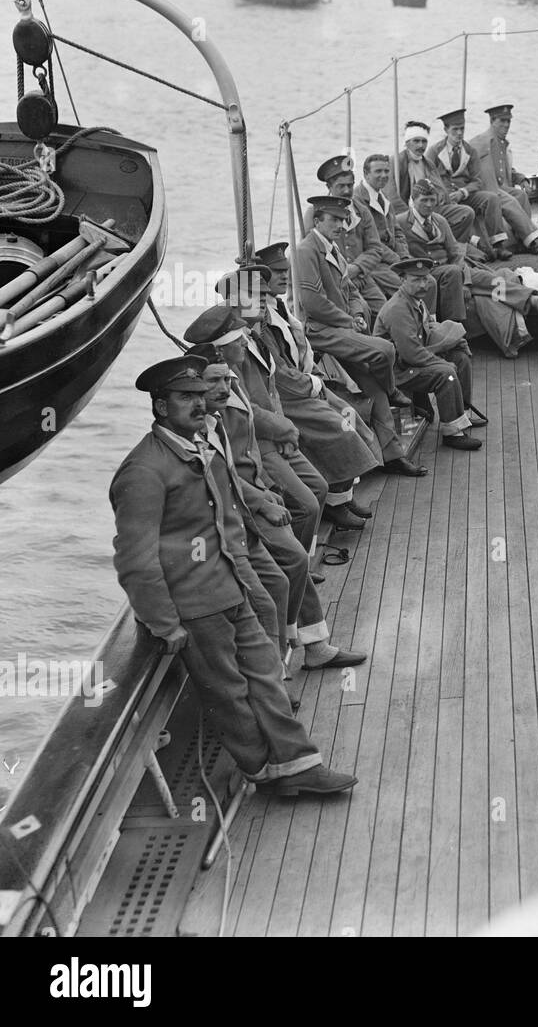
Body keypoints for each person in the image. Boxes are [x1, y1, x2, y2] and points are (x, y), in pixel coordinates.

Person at [110, 356, 357, 797]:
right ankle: (263, 771)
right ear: (160, 407)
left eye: (200, 396)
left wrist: (244, 573)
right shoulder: (145, 471)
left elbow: (224, 524)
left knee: (264, 673)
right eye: (185, 398)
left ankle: (298, 764)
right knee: (228, 693)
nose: (199, 404)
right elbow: (135, 560)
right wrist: (165, 623)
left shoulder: (199, 449)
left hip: (231, 585)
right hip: (194, 606)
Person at [193, 343, 368, 671]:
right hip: (235, 510)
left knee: (293, 562)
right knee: (290, 562)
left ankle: (312, 646)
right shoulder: (202, 423)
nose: (224, 386)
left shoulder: (226, 396)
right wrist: (261, 498)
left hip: (252, 492)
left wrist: (265, 485)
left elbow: (245, 444)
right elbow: (217, 473)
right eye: (213, 381)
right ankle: (291, 655)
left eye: (226, 379)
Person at [225, 250, 381, 531]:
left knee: (350, 414)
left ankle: (340, 497)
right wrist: (288, 422)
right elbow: (266, 391)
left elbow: (275, 376)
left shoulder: (267, 317)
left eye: (285, 272)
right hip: (284, 406)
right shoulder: (240, 342)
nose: (284, 277)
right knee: (338, 425)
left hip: (293, 393)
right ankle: (334, 504)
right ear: (238, 301)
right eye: (256, 295)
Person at [296, 193, 427, 478]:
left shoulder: (332, 250)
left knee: (374, 390)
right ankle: (394, 389)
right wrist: (348, 320)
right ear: (317, 221)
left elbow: (352, 290)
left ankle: (392, 456)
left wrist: (356, 314)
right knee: (385, 351)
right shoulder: (307, 251)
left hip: (343, 328)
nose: (341, 225)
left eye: (343, 220)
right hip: (321, 331)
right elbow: (312, 303)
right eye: (334, 220)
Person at [183, 304, 328, 556]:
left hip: (265, 448)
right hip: (254, 461)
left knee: (317, 489)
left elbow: (269, 397)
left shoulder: (234, 371)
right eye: (238, 340)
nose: (245, 342)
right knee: (306, 506)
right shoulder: (216, 387)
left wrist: (282, 432)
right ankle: (299, 562)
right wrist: (282, 431)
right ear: (219, 349)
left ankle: (304, 561)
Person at [398, 178, 538, 358]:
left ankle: (532, 300)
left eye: (432, 200)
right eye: (423, 200)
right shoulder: (402, 222)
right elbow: (401, 254)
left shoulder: (440, 221)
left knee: (489, 279)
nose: (428, 204)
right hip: (427, 272)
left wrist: (464, 280)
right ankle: (455, 336)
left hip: (451, 269)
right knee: (459, 274)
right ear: (413, 199)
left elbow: (455, 253)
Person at [374, 257, 486, 451]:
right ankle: (453, 433)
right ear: (402, 280)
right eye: (415, 280)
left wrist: (455, 341)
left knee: (460, 359)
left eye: (425, 279)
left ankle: (462, 416)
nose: (423, 284)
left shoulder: (415, 301)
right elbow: (411, 354)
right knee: (446, 374)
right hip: (396, 371)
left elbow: (428, 333)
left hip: (410, 361)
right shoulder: (398, 309)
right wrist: (440, 363)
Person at [305, 154, 400, 313]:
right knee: (360, 310)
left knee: (385, 309)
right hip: (334, 280)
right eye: (341, 186)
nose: (347, 191)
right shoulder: (315, 213)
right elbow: (312, 250)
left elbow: (375, 248)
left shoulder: (360, 210)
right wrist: (343, 270)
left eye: (350, 185)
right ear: (329, 186)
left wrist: (356, 267)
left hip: (362, 276)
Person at [429, 108, 512, 260]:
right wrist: (444, 194)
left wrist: (463, 192)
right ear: (446, 129)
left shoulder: (470, 151)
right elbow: (429, 179)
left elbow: (477, 181)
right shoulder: (434, 152)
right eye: (455, 129)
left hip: (465, 195)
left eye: (462, 129)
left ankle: (498, 244)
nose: (459, 133)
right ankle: (476, 246)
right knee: (464, 211)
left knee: (491, 198)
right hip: (444, 199)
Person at [468, 103, 538, 253]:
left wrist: (520, 178)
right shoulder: (482, 142)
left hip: (499, 186)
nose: (506, 125)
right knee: (510, 200)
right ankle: (532, 239)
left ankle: (523, 240)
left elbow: (503, 170)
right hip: (485, 189)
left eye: (508, 121)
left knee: (521, 195)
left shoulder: (501, 143)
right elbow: (482, 175)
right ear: (492, 121)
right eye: (502, 121)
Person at [391, 120, 476, 239]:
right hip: (408, 212)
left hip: (430, 208)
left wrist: (442, 196)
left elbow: (440, 189)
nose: (421, 145)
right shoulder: (395, 162)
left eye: (424, 141)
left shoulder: (428, 163)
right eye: (416, 141)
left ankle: (453, 246)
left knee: (466, 213)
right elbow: (391, 197)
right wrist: (409, 215)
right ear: (407, 142)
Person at [354, 154, 410, 260]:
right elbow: (369, 240)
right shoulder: (357, 200)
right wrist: (397, 260)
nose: (384, 175)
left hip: (393, 258)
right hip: (373, 260)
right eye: (378, 171)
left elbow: (397, 231)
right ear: (366, 174)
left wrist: (404, 256)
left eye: (386, 171)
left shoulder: (384, 196)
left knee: (425, 275)